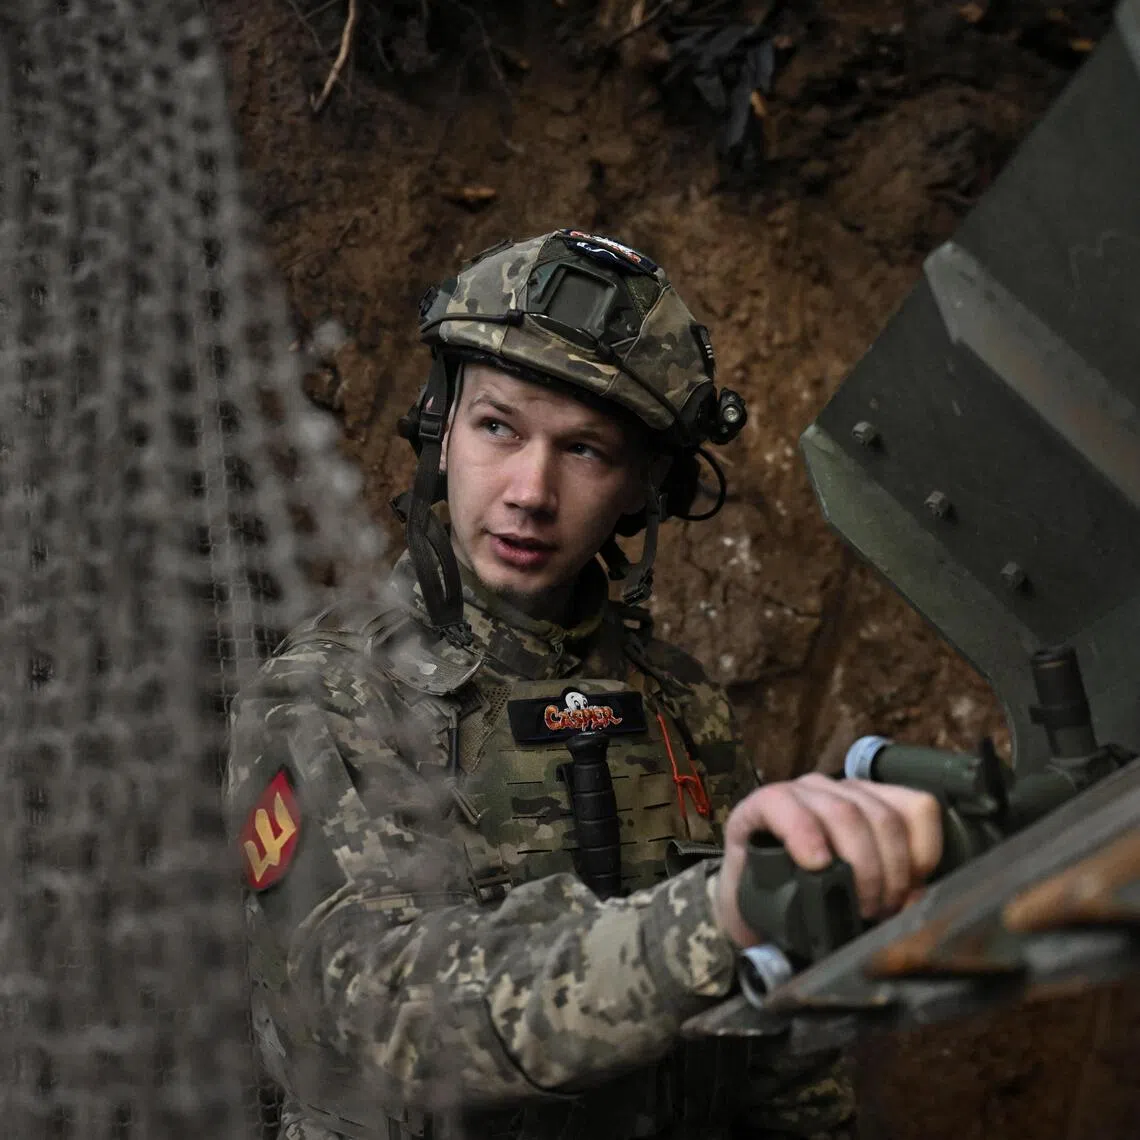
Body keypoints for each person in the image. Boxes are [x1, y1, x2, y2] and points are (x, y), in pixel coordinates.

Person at [224, 230, 943, 1140]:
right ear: (441, 427)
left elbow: (781, 1047)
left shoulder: (682, 706)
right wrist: (716, 918)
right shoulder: (329, 695)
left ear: (644, 487)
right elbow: (388, 1012)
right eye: (498, 427)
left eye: (586, 451)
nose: (531, 490)